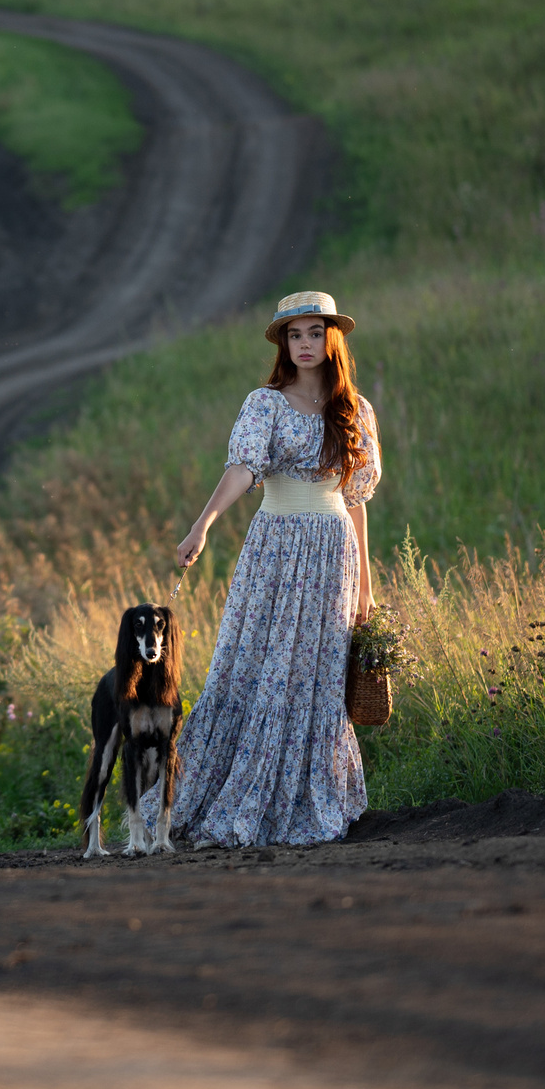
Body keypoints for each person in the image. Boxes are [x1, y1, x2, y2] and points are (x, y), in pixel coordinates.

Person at [166, 291, 380, 848]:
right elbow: (242, 468)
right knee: (253, 666)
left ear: (332, 340)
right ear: (283, 343)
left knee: (318, 675)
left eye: (314, 333)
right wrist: (203, 524)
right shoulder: (264, 403)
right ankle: (228, 793)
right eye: (295, 335)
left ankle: (313, 795)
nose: (305, 344)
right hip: (275, 550)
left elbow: (356, 499)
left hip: (334, 554)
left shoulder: (355, 410)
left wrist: (366, 586)